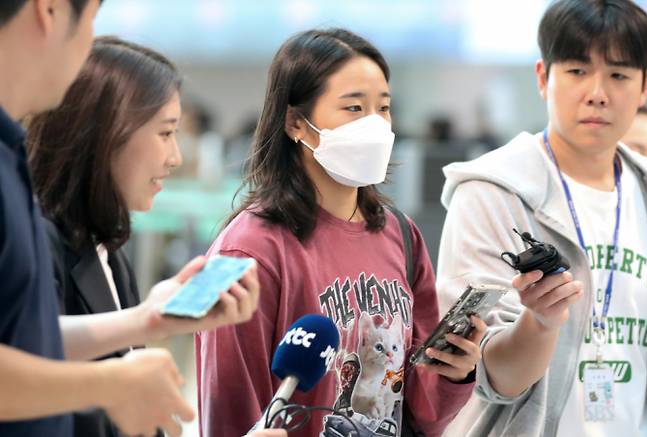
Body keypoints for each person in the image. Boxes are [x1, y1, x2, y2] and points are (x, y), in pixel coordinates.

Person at [196, 28, 487, 437]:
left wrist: (454, 373)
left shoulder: (401, 235)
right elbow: (229, 411)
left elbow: (420, 409)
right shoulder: (248, 250)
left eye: (383, 109)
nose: (374, 126)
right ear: (296, 122)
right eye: (353, 108)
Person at [0, 2, 270, 437]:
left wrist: (149, 318)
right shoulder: (41, 226)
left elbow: (33, 339)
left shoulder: (105, 247)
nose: (175, 157)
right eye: (166, 133)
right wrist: (112, 383)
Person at [436, 1, 647, 436]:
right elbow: (487, 378)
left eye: (618, 75)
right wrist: (538, 324)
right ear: (543, 77)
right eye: (577, 71)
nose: (598, 92)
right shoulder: (493, 192)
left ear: (645, 83)